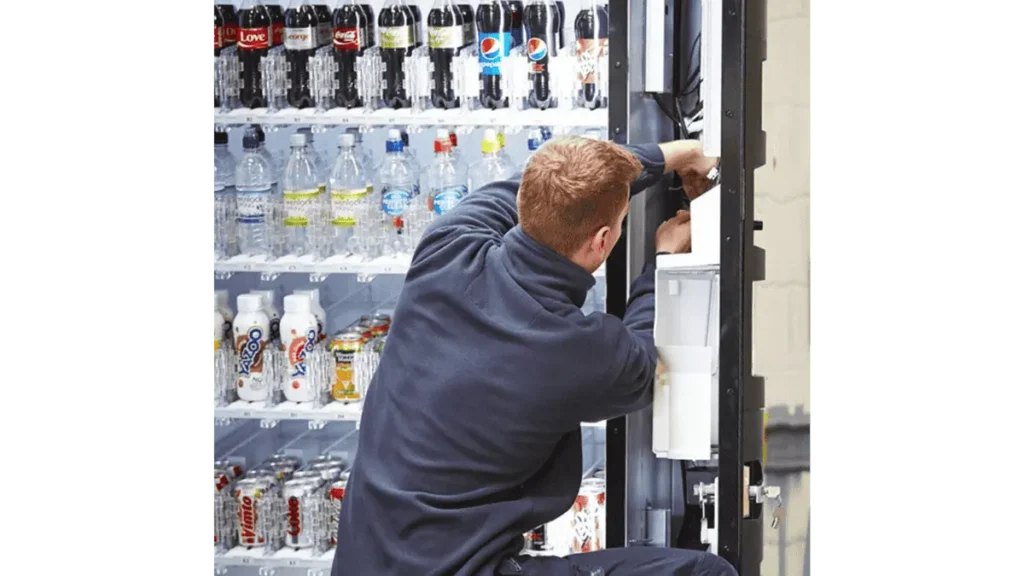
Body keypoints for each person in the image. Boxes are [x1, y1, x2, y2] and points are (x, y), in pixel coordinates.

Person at [331, 137, 729, 576]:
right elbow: (647, 360)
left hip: (361, 559)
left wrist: (674, 155)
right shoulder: (577, 349)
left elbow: (539, 184)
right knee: (706, 572)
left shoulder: (447, 247)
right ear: (602, 241)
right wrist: (664, 257)